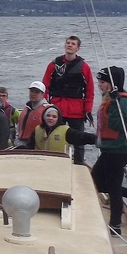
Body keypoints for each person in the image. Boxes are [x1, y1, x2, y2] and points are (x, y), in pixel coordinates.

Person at [90, 66, 127, 236]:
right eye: (99, 82)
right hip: (110, 150)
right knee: (98, 181)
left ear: (113, 84)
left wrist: (114, 103)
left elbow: (117, 125)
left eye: (103, 82)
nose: (99, 85)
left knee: (113, 188)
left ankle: (115, 226)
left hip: (118, 151)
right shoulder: (111, 99)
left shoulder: (122, 102)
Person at [42, 35, 94, 164]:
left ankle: (79, 164)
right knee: (53, 137)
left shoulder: (84, 67)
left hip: (76, 110)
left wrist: (88, 110)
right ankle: (53, 161)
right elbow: (45, 86)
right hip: (57, 108)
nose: (69, 45)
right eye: (68, 43)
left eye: (73, 44)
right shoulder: (54, 64)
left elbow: (90, 90)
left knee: (79, 141)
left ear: (78, 48)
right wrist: (45, 105)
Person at [15, 81, 50, 148]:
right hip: (22, 143)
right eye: (31, 91)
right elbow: (18, 128)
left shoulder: (47, 111)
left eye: (37, 92)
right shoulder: (27, 108)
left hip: (37, 145)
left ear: (42, 94)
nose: (33, 94)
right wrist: (18, 143)